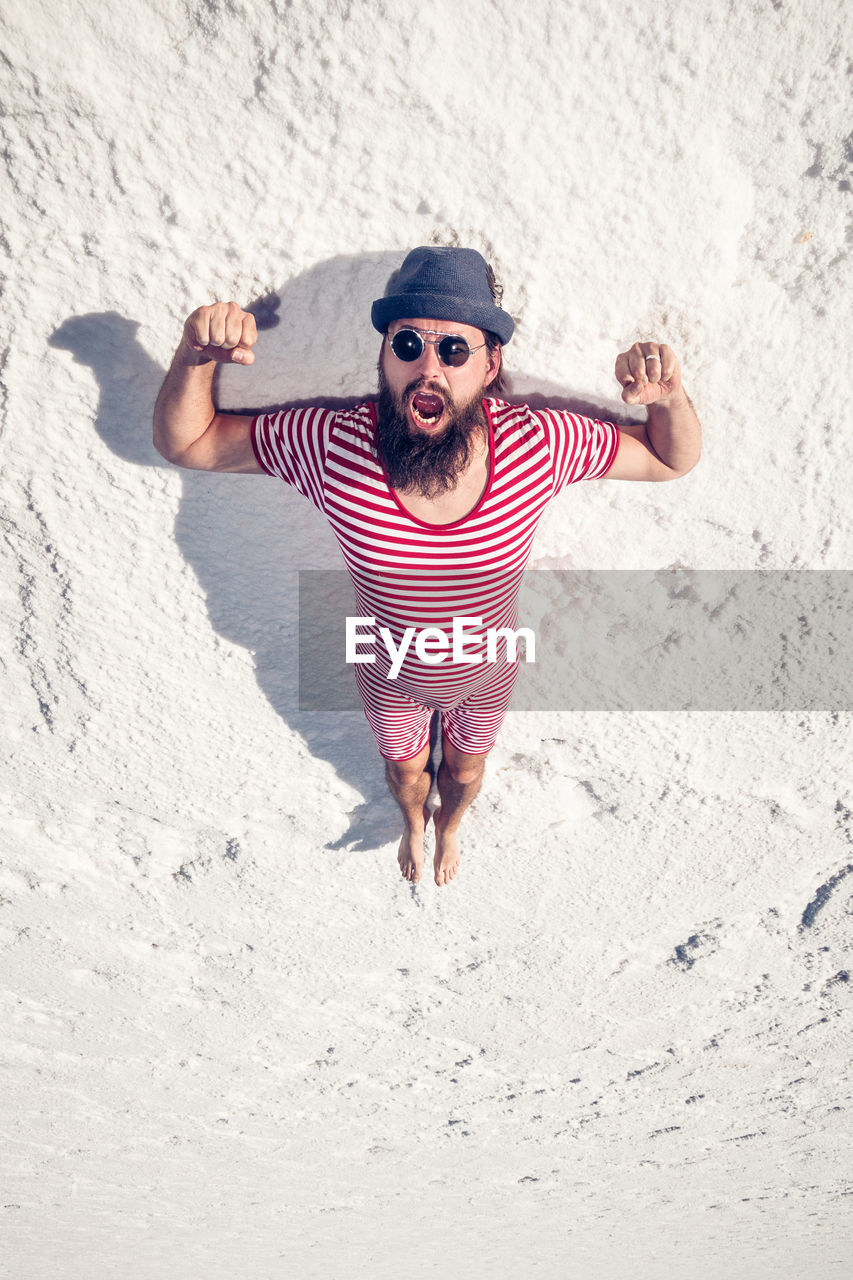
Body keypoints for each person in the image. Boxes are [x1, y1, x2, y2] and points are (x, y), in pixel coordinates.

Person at [153, 246, 701, 887]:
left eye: (455, 351)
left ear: (491, 363)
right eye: (408, 344)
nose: (428, 369)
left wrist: (670, 397)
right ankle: (413, 822)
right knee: (406, 773)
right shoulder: (332, 446)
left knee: (466, 772)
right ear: (384, 355)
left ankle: (451, 827)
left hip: (486, 671)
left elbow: (671, 459)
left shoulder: (539, 445)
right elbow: (187, 443)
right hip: (389, 673)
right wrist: (194, 355)